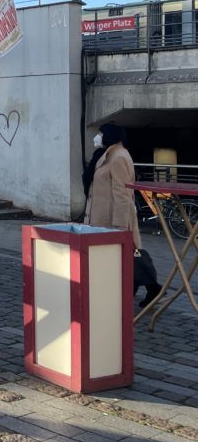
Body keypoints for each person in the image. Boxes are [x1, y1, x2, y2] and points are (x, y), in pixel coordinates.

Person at [84, 122, 160, 307]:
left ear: (109, 135)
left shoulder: (118, 157)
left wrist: (120, 225)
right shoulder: (106, 154)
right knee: (121, 257)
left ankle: (150, 286)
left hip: (113, 218)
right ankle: (139, 288)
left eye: (100, 133)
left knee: (126, 256)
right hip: (102, 217)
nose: (97, 137)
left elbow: (122, 193)